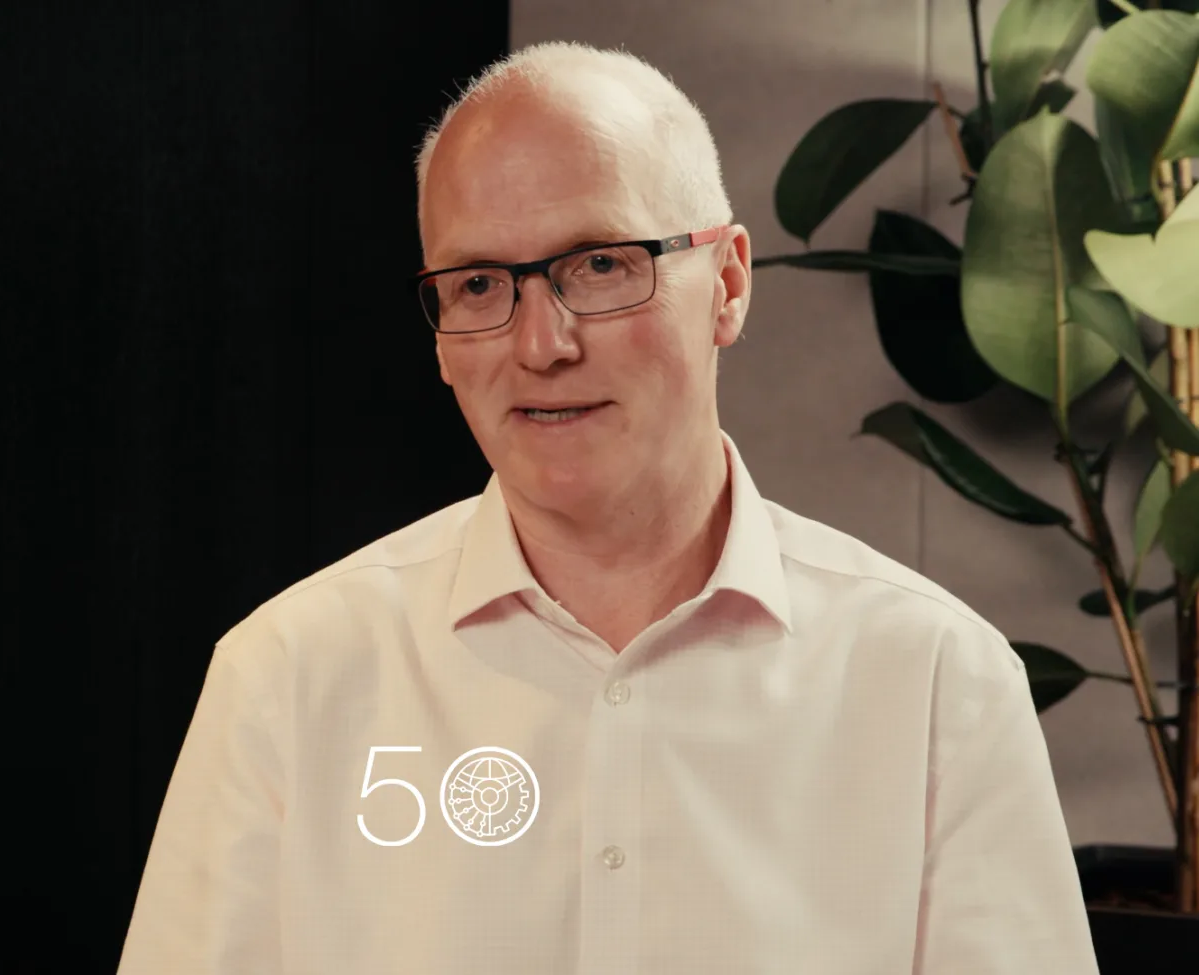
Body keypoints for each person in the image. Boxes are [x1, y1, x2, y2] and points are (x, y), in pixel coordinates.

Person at [116, 40, 1100, 975]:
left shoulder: (937, 683)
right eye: (478, 284)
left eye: (599, 265)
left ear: (727, 284)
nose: (541, 345)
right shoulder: (288, 678)